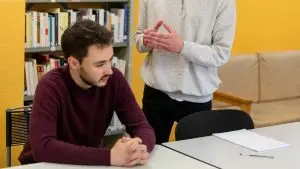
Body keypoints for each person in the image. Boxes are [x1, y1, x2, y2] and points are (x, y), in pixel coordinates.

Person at [19, 20, 155, 167]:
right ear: (74, 63)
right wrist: (110, 157)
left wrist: (138, 149)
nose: (109, 70)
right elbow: (43, 148)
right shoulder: (50, 86)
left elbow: (142, 126)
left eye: (110, 61)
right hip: (42, 165)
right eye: (100, 64)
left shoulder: (114, 79)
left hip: (86, 164)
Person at [134, 0, 236, 144]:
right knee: (148, 157)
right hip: (156, 94)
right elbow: (139, 38)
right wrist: (146, 40)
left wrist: (182, 47)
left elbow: (221, 53)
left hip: (198, 96)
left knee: (196, 161)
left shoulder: (223, 2)